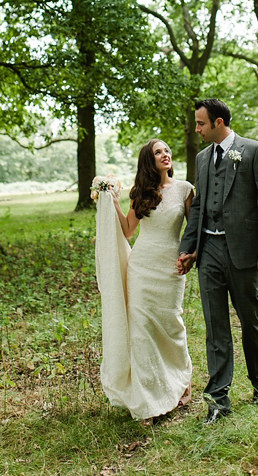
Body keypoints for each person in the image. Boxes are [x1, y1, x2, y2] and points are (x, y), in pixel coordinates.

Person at [176, 98, 258, 425]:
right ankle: (218, 400)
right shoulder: (202, 158)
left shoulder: (254, 150)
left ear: (218, 122)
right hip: (209, 251)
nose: (197, 129)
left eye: (201, 124)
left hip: (244, 249)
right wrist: (188, 247)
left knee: (250, 319)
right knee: (215, 325)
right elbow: (200, 206)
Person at [95, 139, 194, 424]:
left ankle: (181, 376)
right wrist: (112, 201)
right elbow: (128, 231)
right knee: (140, 332)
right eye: (157, 152)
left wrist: (192, 255)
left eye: (166, 150)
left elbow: (192, 230)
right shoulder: (141, 192)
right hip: (141, 266)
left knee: (171, 325)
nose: (165, 155)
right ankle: (146, 401)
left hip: (170, 268)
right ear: (148, 161)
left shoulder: (185, 189)